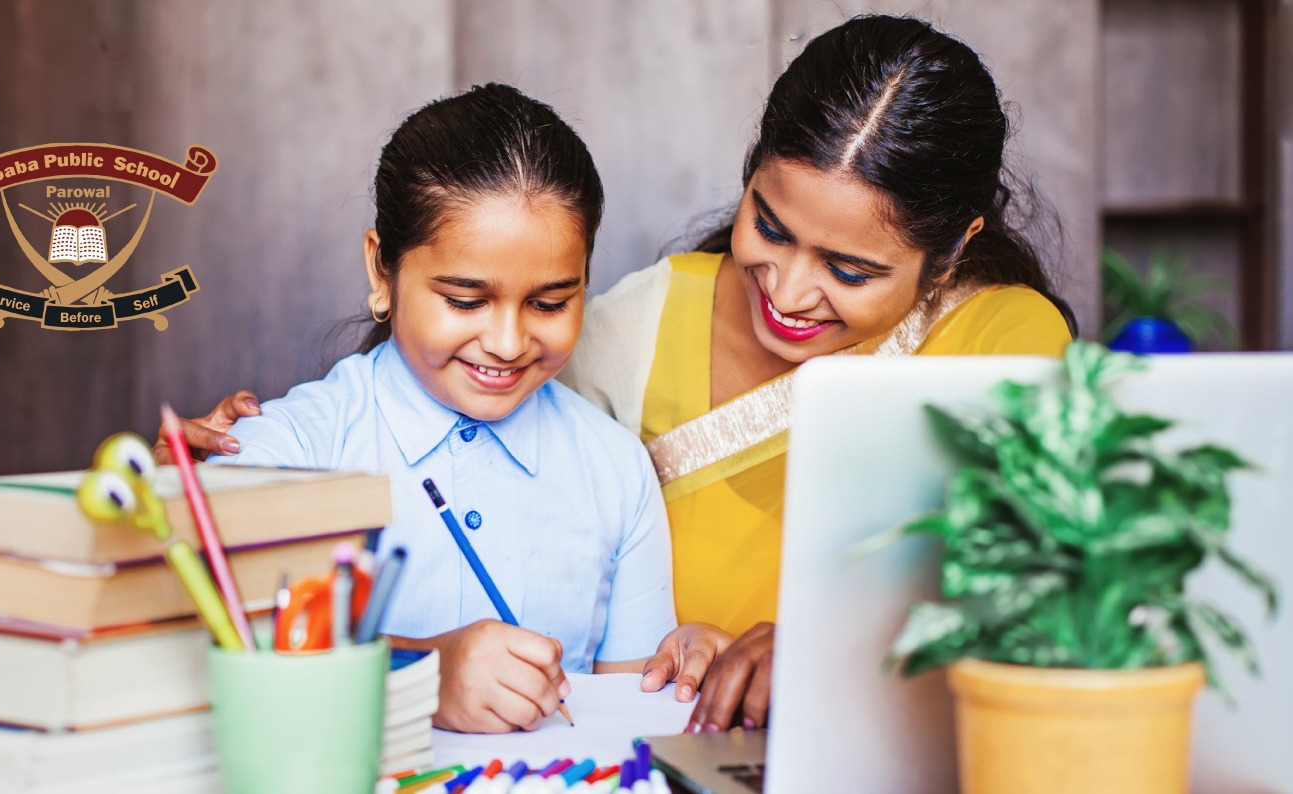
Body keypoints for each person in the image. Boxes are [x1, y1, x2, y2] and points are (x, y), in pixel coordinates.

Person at [163, 15, 1072, 737]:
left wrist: (821, 655)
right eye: (771, 227)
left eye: (850, 270)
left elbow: (1037, 605)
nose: (790, 292)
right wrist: (217, 487)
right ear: (749, 173)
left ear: (952, 248)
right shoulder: (628, 327)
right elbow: (202, 598)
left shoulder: (1001, 341)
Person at [203, 83, 676, 735]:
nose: (508, 343)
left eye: (548, 303)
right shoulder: (285, 452)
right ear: (381, 271)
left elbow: (632, 726)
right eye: (464, 300)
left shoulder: (616, 470)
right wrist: (418, 674)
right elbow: (207, 666)